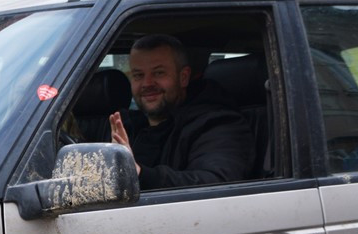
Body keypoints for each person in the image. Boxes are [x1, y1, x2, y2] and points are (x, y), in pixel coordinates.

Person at [108, 34, 254, 190]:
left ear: (183, 77)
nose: (147, 83)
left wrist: (139, 174)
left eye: (159, 73)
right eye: (138, 75)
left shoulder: (219, 124)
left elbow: (217, 184)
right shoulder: (124, 125)